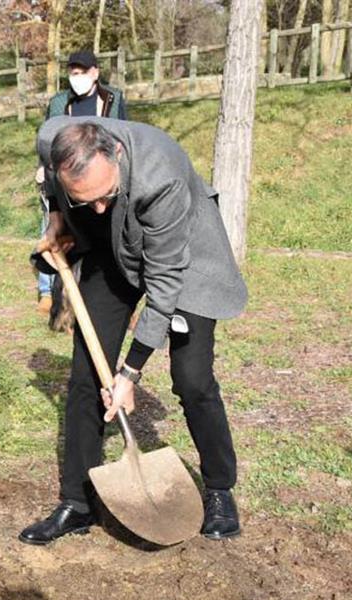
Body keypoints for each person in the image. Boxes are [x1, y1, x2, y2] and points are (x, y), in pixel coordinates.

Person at [19, 118, 248, 546]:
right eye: (85, 200)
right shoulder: (54, 138)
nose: (98, 207)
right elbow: (52, 180)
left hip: (183, 255)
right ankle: (78, 503)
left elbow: (164, 285)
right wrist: (56, 218)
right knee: (87, 374)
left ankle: (219, 489)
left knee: (193, 379)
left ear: (117, 156)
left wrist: (130, 374)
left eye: (103, 195)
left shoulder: (161, 177)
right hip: (113, 250)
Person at [35, 51, 128, 319]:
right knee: (56, 231)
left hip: (100, 179)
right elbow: (48, 139)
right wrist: (43, 169)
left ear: (95, 73)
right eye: (73, 73)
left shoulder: (113, 98)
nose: (77, 78)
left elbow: (123, 133)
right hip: (67, 177)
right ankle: (51, 295)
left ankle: (114, 297)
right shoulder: (59, 103)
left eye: (82, 73)